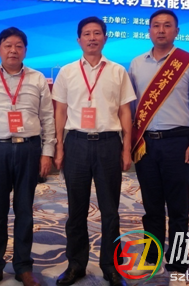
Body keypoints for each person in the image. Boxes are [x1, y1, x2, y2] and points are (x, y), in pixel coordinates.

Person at [0, 27, 56, 286]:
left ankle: (23, 266)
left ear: (25, 50)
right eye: (7, 45)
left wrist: (47, 152)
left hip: (29, 149)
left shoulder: (37, 79)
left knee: (25, 211)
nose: (13, 50)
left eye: (18, 46)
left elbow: (47, 118)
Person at [128, 9, 189, 286]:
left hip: (178, 142)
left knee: (177, 206)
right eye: (156, 25)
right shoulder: (136, 64)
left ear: (177, 31)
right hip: (146, 144)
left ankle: (177, 257)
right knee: (151, 205)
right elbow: (132, 107)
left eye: (167, 25)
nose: (161, 30)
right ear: (149, 31)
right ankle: (152, 255)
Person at [52, 16, 136, 286]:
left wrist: (126, 148)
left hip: (108, 144)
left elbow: (125, 111)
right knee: (76, 209)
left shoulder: (117, 71)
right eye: (86, 33)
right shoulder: (67, 72)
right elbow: (60, 111)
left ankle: (111, 266)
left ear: (105, 38)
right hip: (76, 143)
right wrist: (59, 146)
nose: (92, 38)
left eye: (97, 33)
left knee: (110, 210)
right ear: (79, 40)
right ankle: (76, 264)